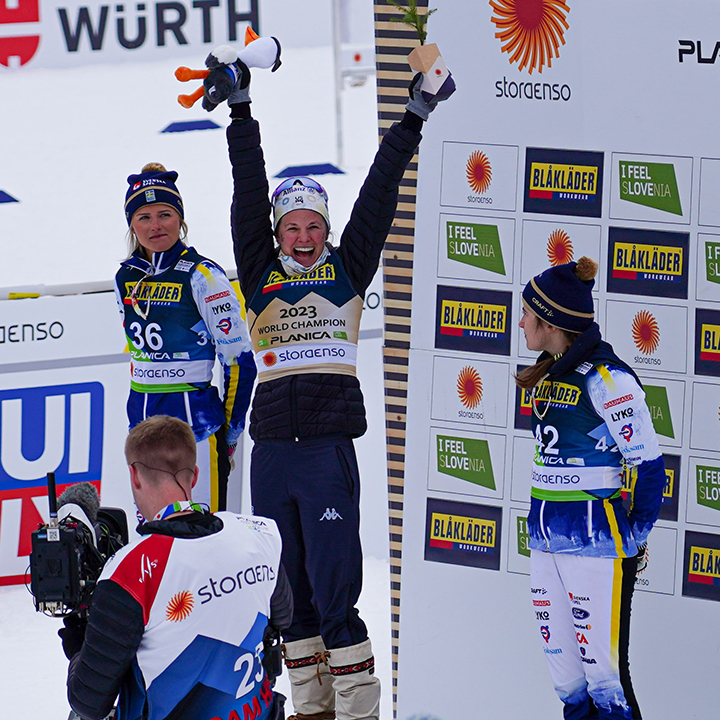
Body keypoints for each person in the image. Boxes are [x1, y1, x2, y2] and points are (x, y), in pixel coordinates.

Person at [197, 44, 452, 720]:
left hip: (325, 455)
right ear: (277, 233)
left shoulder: (348, 267)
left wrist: (414, 118)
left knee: (338, 596)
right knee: (293, 602)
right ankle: (312, 710)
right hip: (274, 453)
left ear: (328, 230)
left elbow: (379, 191)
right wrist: (242, 110)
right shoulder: (260, 272)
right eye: (293, 226)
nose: (304, 235)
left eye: (314, 225)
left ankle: (360, 712)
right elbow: (247, 190)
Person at [62, 415, 293, 720]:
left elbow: (88, 702)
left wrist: (80, 641)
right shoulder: (260, 532)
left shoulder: (128, 572)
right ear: (195, 475)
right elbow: (283, 618)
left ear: (134, 476)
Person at [515, 257, 666, 720]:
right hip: (544, 543)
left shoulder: (608, 379)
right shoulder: (547, 373)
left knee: (607, 685)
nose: (520, 322)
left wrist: (633, 537)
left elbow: (650, 464)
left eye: (527, 314)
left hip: (595, 547)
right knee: (568, 684)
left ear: (552, 320)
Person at [115, 164, 256, 512]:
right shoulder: (125, 276)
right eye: (144, 217)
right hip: (142, 428)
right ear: (132, 224)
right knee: (155, 539)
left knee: (205, 534)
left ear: (180, 220)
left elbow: (240, 362)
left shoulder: (202, 275)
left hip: (196, 428)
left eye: (165, 214)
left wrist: (230, 433)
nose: (155, 226)